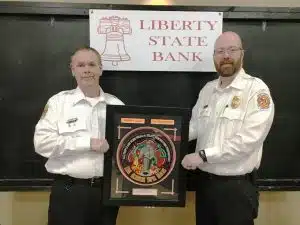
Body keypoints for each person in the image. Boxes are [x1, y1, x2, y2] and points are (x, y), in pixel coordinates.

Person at [181, 31, 275, 225]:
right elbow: (195, 126)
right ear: (214, 56)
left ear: (242, 54)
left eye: (232, 50)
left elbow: (248, 140)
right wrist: (165, 135)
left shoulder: (256, 90)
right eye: (220, 51)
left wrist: (203, 155)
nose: (226, 55)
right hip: (205, 185)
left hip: (236, 190)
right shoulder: (208, 90)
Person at [34, 47, 124, 225]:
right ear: (72, 70)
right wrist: (86, 143)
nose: (87, 69)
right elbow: (42, 144)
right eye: (81, 65)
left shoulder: (117, 105)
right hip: (69, 188)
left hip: (106, 191)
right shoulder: (58, 102)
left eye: (92, 64)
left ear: (101, 69)